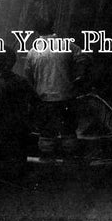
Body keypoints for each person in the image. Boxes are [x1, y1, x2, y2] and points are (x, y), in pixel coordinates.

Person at [24, 18, 89, 155]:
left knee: (47, 134)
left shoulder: (32, 52)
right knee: (69, 133)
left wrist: (32, 101)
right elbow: (83, 58)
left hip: (44, 99)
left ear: (37, 32)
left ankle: (47, 161)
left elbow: (28, 80)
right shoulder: (67, 45)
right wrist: (79, 77)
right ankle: (69, 161)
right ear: (53, 28)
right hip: (66, 97)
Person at [0, 48, 40, 186]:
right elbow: (36, 102)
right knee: (19, 163)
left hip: (1, 136)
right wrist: (29, 121)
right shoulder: (22, 81)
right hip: (20, 133)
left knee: (0, 169)